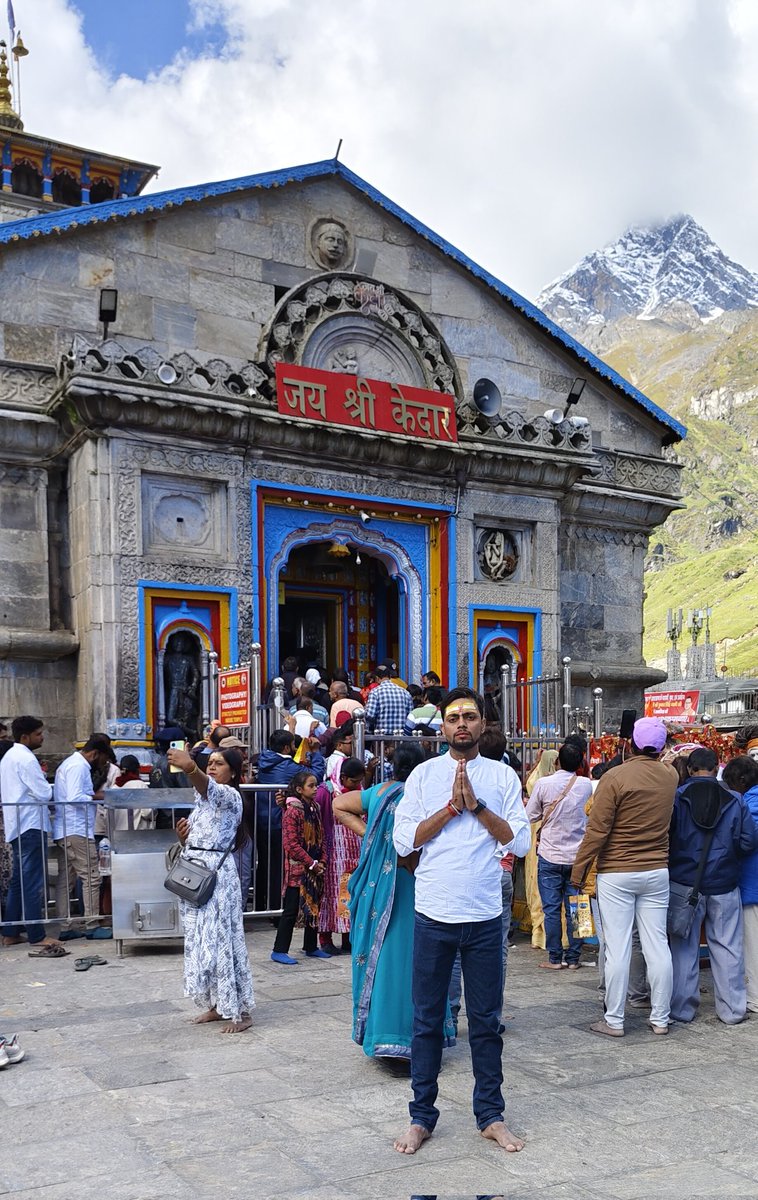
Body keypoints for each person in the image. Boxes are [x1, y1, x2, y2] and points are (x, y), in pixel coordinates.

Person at [392, 687, 530, 1156]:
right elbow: (404, 840)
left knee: (487, 1021)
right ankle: (421, 1116)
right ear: (443, 726)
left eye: (470, 716)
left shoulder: (503, 776)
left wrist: (478, 808)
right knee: (427, 1020)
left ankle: (490, 1115)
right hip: (434, 914)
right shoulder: (424, 776)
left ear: (483, 723)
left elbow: (521, 842)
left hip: (486, 916)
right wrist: (451, 808)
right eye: (454, 718)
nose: (462, 725)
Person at [334, 742, 456, 1059]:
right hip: (416, 882)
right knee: (419, 958)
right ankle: (418, 1038)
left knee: (386, 954)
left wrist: (372, 837)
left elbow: (339, 805)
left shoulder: (379, 792)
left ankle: (382, 1035)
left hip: (381, 887)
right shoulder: (426, 796)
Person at [571, 717, 677, 1037]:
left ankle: (614, 1020)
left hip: (617, 872)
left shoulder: (615, 777)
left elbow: (597, 831)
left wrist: (578, 871)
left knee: (618, 947)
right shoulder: (670, 776)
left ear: (629, 743)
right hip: (657, 870)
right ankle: (660, 1018)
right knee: (657, 945)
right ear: (661, 748)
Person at [668, 747, 758, 1025]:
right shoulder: (734, 800)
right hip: (724, 883)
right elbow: (748, 841)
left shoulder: (677, 798)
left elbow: (667, 839)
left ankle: (682, 1009)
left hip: (684, 884)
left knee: (684, 947)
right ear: (716, 767)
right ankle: (732, 1010)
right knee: (728, 947)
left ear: (691, 769)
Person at [168, 745, 255, 1032]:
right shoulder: (202, 801)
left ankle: (240, 1011)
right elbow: (201, 832)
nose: (213, 767)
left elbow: (208, 787)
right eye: (211, 763)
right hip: (196, 876)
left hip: (218, 880)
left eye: (219, 764)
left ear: (232, 772)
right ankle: (217, 1005)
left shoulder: (229, 795)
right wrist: (184, 839)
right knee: (203, 942)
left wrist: (190, 766)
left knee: (223, 941)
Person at [448, 725, 517, 1033]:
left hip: (467, 873)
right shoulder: (507, 781)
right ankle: (491, 1015)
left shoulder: (456, 778)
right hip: (501, 872)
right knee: (496, 950)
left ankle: (450, 1012)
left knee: (454, 951)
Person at [526, 741, 592, 970]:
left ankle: (555, 957)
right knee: (579, 907)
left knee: (551, 909)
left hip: (550, 855)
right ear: (581, 762)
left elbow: (531, 815)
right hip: (578, 857)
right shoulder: (586, 785)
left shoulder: (544, 784)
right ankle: (574, 958)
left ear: (557, 762)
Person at [0, 716, 63, 954]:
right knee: (32, 882)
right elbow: (42, 793)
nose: (42, 737)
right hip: (30, 825)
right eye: (38, 734)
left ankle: (10, 933)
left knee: (19, 881)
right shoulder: (25, 758)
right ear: (25, 736)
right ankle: (36, 935)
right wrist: (54, 789)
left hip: (18, 825)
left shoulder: (9, 757)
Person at [254, 729, 325, 912]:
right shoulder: (287, 766)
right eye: (293, 745)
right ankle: (276, 909)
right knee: (278, 868)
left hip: (261, 820)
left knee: (265, 864)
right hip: (278, 821)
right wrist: (315, 752)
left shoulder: (265, 760)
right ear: (287, 748)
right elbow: (314, 776)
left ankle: (263, 906)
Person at [52, 737, 110, 938]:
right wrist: (98, 797)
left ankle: (66, 927)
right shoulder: (79, 767)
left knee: (65, 881)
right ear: (95, 754)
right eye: (103, 760)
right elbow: (75, 797)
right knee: (92, 877)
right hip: (76, 830)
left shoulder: (69, 764)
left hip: (66, 829)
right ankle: (92, 924)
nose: (102, 765)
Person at [271, 770, 328, 964]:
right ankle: (279, 950)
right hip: (299, 868)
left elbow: (321, 837)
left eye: (316, 785)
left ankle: (311, 946)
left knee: (313, 906)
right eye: (311, 786)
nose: (315, 789)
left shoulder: (315, 808)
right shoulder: (292, 811)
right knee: (291, 909)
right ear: (299, 789)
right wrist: (311, 863)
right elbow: (291, 844)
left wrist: (322, 860)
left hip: (314, 866)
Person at [318, 756, 365, 954]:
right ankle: (325, 938)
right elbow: (318, 819)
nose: (357, 785)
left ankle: (348, 937)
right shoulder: (326, 791)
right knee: (331, 894)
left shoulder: (361, 792)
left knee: (350, 892)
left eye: (359, 781)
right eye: (353, 781)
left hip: (354, 850)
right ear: (343, 777)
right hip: (333, 850)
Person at [723, 755, 758, 1013]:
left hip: (751, 884)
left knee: (752, 945)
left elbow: (745, 842)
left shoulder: (749, 805)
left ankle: (754, 996)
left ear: (742, 780)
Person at [520, 749, 559, 948]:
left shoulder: (536, 780)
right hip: (553, 835)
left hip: (535, 832)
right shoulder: (561, 782)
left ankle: (539, 931)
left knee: (536, 883)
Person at [365, 664, 413, 735]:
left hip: (381, 739)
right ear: (390, 677)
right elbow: (410, 716)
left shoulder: (375, 692)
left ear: (377, 678)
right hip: (401, 738)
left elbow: (370, 716)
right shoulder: (405, 693)